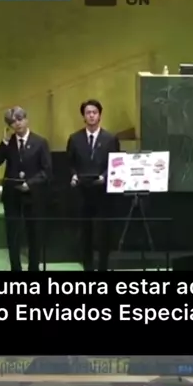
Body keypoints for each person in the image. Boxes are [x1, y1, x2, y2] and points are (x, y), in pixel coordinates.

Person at [0, 107, 52, 271]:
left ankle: (33, 268)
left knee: (34, 234)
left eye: (20, 119)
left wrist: (30, 183)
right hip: (12, 194)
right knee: (13, 234)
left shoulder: (40, 142)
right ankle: (15, 269)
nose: (17, 124)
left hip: (32, 194)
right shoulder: (9, 142)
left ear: (26, 120)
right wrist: (4, 141)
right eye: (13, 122)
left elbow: (47, 171)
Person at [66, 100, 121, 271]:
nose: (91, 115)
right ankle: (87, 267)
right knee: (85, 232)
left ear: (99, 115)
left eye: (94, 112)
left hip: (103, 192)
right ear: (83, 116)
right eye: (88, 113)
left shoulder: (110, 139)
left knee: (104, 233)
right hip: (83, 192)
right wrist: (73, 175)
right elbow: (70, 163)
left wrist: (105, 176)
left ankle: (103, 267)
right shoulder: (75, 138)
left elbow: (115, 163)